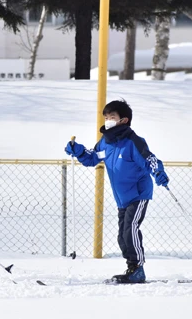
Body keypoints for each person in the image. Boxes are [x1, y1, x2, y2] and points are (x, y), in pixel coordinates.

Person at [64, 99, 169, 283]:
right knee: (122, 237)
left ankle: (138, 268)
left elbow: (150, 159)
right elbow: (91, 158)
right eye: (106, 117)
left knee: (130, 230)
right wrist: (79, 151)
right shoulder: (105, 142)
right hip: (122, 198)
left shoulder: (133, 142)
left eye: (112, 117)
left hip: (138, 194)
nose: (108, 121)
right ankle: (131, 268)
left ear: (124, 120)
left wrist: (158, 172)